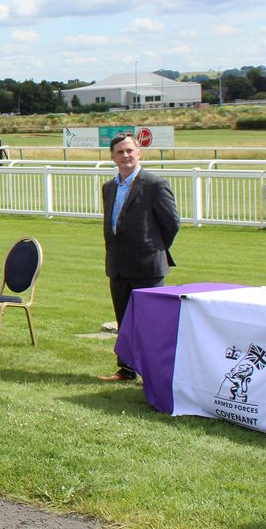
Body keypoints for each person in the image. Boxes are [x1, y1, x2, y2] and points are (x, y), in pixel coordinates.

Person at [98, 132, 179, 382]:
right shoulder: (109, 187)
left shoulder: (154, 185)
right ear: (112, 157)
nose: (125, 156)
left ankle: (155, 375)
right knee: (125, 324)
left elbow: (171, 223)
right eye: (120, 152)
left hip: (147, 267)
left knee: (151, 326)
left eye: (129, 150)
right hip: (118, 267)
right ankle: (126, 369)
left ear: (139, 153)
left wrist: (153, 247)